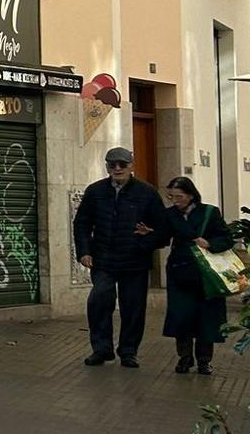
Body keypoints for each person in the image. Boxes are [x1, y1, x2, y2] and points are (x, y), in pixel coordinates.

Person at [72, 147, 170, 368]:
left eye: (122, 164)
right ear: (106, 167)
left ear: (131, 166)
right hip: (103, 260)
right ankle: (101, 349)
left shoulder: (147, 193)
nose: (117, 168)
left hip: (134, 262)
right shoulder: (95, 191)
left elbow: (163, 231)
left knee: (133, 308)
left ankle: (128, 351)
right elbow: (82, 223)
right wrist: (84, 251)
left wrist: (144, 242)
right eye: (112, 164)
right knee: (98, 301)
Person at [161, 175, 234, 376]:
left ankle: (204, 360)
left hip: (206, 274)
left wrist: (210, 243)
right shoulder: (170, 214)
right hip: (179, 272)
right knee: (181, 316)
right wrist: (148, 233)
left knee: (206, 318)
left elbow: (226, 238)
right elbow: (162, 237)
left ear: (191, 196)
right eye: (171, 197)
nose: (175, 201)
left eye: (179, 197)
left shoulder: (209, 213)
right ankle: (184, 357)